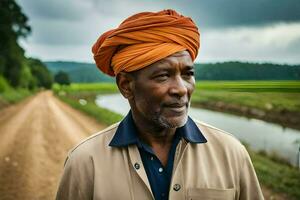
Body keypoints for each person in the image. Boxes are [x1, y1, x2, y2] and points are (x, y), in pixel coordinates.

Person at [56, 9, 264, 200]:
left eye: (188, 74)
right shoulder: (86, 162)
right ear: (126, 85)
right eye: (164, 75)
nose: (181, 89)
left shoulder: (230, 152)